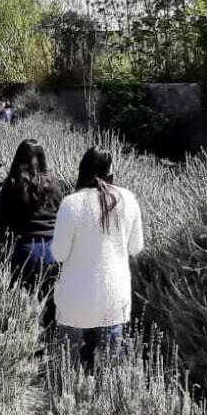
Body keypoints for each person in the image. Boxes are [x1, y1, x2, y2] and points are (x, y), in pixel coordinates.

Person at [51, 147, 143, 368]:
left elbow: (59, 253)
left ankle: (67, 398)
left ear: (82, 171)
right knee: (110, 368)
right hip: (114, 296)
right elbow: (136, 247)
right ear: (110, 172)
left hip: (76, 297)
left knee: (68, 364)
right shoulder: (128, 199)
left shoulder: (71, 203)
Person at [0, 138, 63, 281]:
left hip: (25, 249)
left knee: (22, 297)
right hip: (52, 248)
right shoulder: (53, 182)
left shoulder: (14, 183)